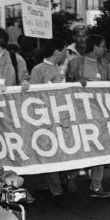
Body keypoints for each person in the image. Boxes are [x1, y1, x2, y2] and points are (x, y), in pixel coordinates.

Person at [65, 34, 110, 199]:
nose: (105, 49)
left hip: (99, 114)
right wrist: (78, 85)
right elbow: (67, 87)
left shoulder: (105, 65)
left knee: (100, 148)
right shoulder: (75, 63)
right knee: (81, 149)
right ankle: (71, 175)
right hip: (80, 114)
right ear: (94, 46)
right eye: (103, 45)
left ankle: (96, 186)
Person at [29, 38, 68, 207]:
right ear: (56, 52)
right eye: (64, 50)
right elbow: (31, 95)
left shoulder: (60, 70)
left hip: (58, 117)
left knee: (51, 152)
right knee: (49, 152)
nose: (66, 53)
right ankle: (56, 191)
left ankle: (42, 185)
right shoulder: (38, 69)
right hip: (44, 118)